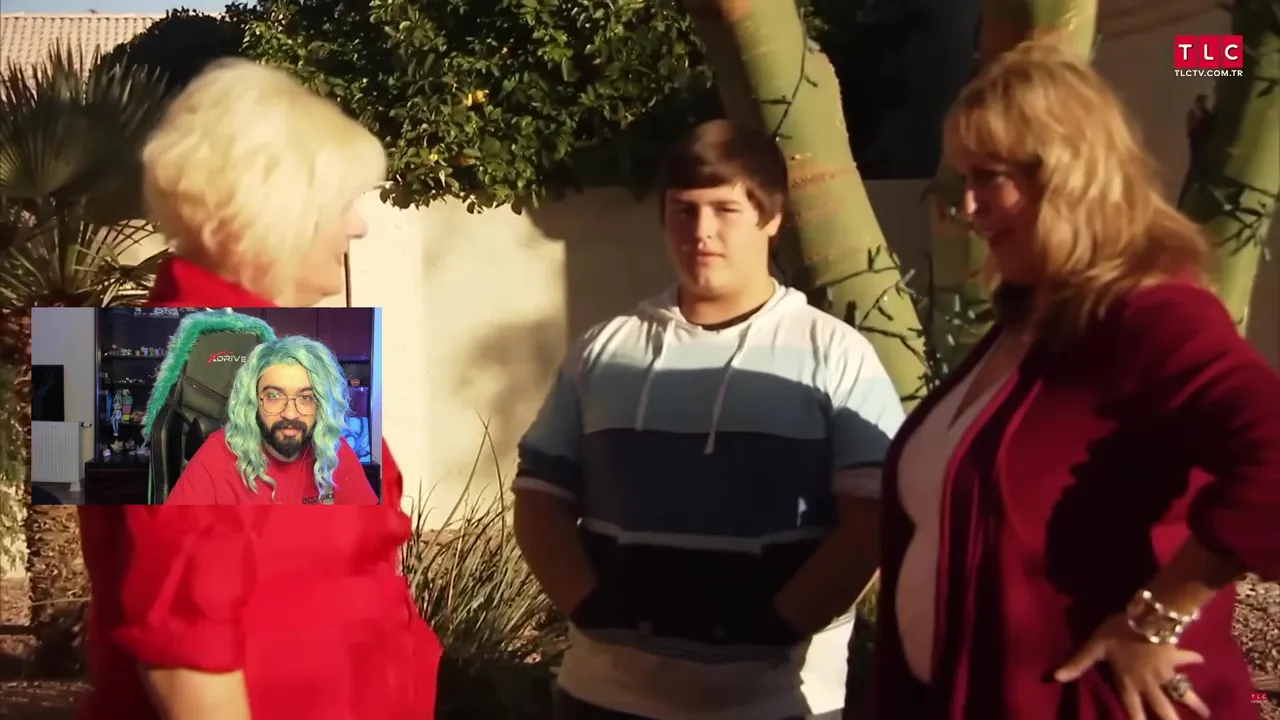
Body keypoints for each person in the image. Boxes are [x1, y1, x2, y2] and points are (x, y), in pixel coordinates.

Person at [867, 39, 1280, 720]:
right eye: (964, 179)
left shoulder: (1151, 315)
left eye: (988, 177)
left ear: (1067, 178)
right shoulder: (1029, 325)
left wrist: (1158, 617)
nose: (968, 207)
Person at [76, 58, 441, 720]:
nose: (358, 226)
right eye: (341, 204)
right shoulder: (195, 364)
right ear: (276, 209)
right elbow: (183, 649)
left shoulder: (267, 349)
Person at [513, 119, 905, 720]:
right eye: (683, 210)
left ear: (772, 218)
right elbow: (540, 498)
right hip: (602, 699)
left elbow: (872, 521)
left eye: (725, 210)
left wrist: (776, 625)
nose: (701, 231)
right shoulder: (604, 350)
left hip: (777, 706)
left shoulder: (836, 354)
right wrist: (591, 610)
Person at [165, 335, 379, 505]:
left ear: (321, 405)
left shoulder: (333, 451)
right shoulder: (217, 454)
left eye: (306, 397)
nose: (290, 414)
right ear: (252, 402)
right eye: (274, 396)